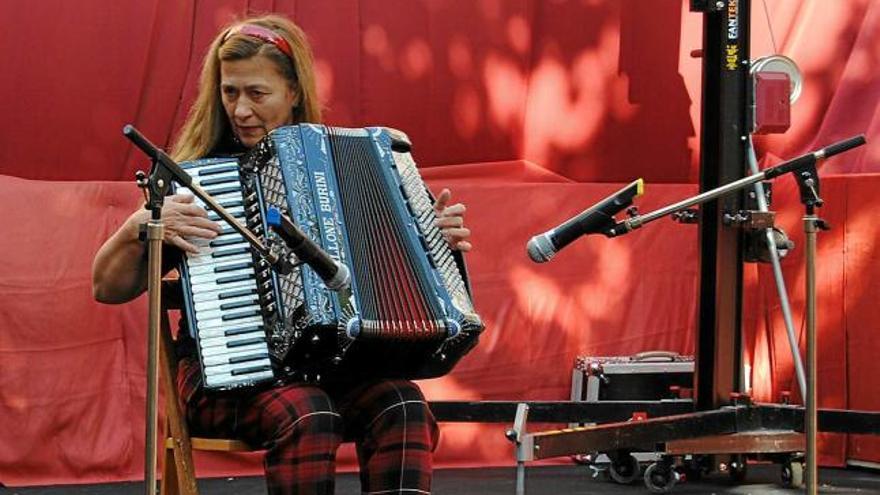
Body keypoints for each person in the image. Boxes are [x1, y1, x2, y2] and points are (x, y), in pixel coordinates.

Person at [92, 14, 472, 495]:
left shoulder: (339, 172)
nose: (241, 109)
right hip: (224, 376)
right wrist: (141, 228)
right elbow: (106, 287)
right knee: (309, 413)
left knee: (404, 406)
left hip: (329, 370)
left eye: (257, 93)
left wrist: (432, 244)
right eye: (230, 92)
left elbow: (388, 275)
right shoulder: (202, 182)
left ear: (293, 93)